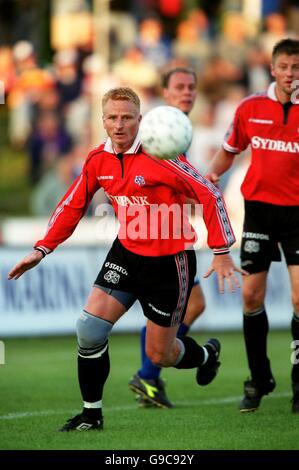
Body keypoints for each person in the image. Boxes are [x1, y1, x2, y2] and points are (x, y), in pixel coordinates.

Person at [8, 87, 244, 432]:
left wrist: (221, 252)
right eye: (112, 117)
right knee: (89, 329)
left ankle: (206, 355)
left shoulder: (163, 156)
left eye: (127, 117)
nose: (119, 125)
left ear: (139, 120)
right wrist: (43, 248)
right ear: (102, 120)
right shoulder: (97, 159)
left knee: (161, 355)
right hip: (126, 254)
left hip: (169, 262)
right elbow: (72, 204)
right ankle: (91, 414)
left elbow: (209, 195)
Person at [205, 38, 299, 414]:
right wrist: (209, 175)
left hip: (298, 214)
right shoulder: (250, 108)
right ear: (273, 70)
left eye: (297, 67)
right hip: (259, 211)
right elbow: (229, 150)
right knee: (251, 298)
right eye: (286, 67)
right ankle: (259, 379)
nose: (292, 74)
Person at [128, 67, 207, 409]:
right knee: (169, 312)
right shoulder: (160, 131)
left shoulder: (179, 130)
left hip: (175, 235)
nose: (187, 92)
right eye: (179, 87)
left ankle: (150, 374)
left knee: (194, 304)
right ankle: (148, 375)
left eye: (192, 87)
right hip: (157, 239)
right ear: (165, 92)